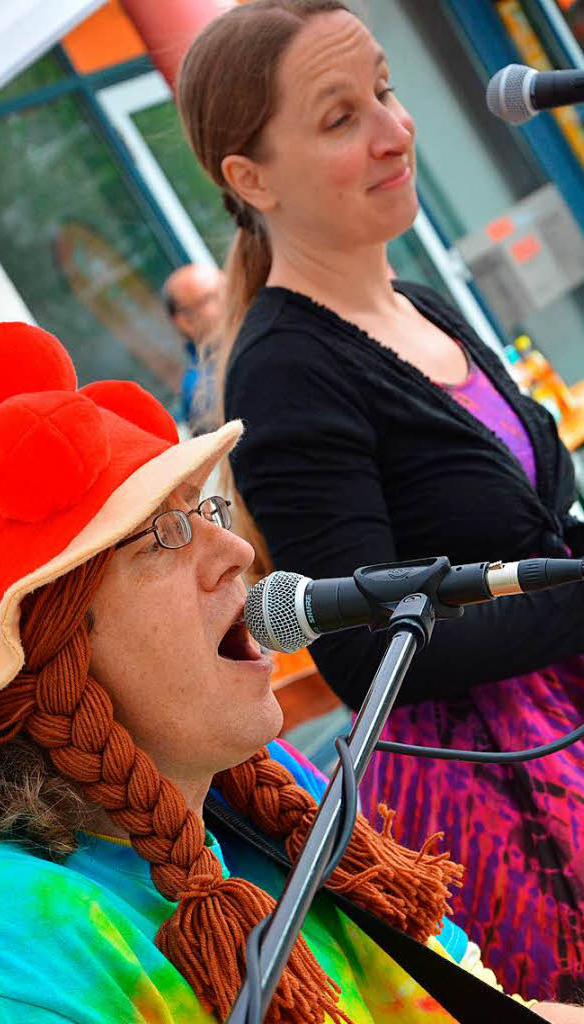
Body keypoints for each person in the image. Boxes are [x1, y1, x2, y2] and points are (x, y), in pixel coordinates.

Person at [0, 321, 575, 1023]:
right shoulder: (7, 957)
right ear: (50, 661)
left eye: (201, 513)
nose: (236, 554)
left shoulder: (254, 790)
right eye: (160, 538)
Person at [176, 0, 584, 1003]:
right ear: (249, 178)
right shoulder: (283, 369)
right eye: (337, 116)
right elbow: (365, 651)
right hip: (499, 795)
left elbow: (531, 527)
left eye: (386, 92)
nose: (394, 129)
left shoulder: (419, 305)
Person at [163, 263, 225, 435]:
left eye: (228, 286)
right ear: (185, 321)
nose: (230, 296)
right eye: (213, 296)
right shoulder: (204, 392)